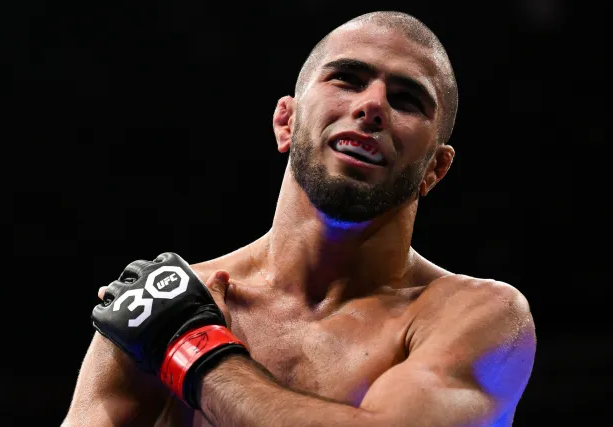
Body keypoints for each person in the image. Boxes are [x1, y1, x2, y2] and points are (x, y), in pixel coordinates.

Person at [63, 10, 536, 427]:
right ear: (286, 123)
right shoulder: (162, 304)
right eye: (348, 79)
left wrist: (196, 353)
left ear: (435, 168)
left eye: (407, 99)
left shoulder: (476, 317)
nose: (372, 105)